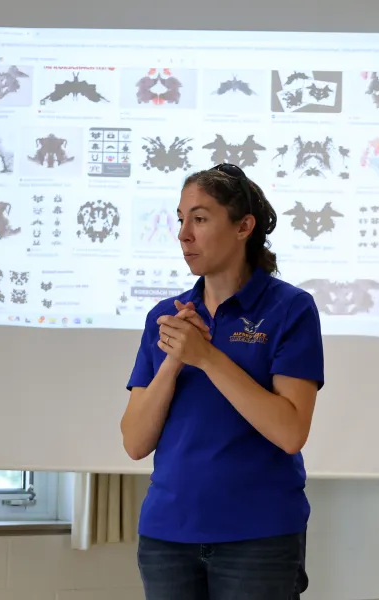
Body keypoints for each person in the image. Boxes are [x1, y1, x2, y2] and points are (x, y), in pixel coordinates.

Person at [120, 163, 325, 600]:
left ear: (243, 227)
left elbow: (290, 431)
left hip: (259, 536)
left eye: (199, 218)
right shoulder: (166, 317)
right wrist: (174, 362)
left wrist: (207, 357)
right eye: (181, 219)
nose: (183, 235)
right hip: (167, 536)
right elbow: (135, 442)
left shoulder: (291, 309)